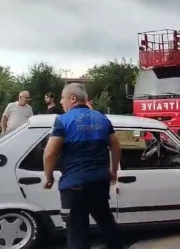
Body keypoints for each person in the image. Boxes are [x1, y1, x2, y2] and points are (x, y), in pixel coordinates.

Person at [43, 83, 123, 249]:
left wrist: (49, 177)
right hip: (100, 181)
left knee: (76, 230)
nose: (61, 102)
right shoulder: (102, 118)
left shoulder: (62, 121)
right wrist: (113, 171)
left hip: (74, 185)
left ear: (73, 99)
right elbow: (116, 146)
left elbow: (50, 153)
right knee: (106, 222)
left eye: (63, 98)